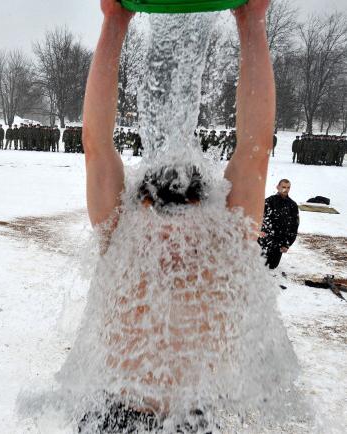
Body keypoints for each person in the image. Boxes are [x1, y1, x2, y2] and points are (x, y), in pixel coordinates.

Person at [79, 0, 276, 429]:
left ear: (204, 212)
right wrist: (113, 23)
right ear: (141, 207)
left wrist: (253, 23)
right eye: (159, 219)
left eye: (182, 223)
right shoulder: (120, 232)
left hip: (193, 418)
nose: (171, 244)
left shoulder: (226, 240)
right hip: (119, 414)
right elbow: (96, 147)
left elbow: (254, 151)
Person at [259, 179, 300, 269]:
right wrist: (261, 233)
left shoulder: (292, 205)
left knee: (272, 266)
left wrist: (287, 244)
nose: (286, 189)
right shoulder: (269, 201)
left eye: (288, 187)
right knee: (259, 265)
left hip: (280, 243)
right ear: (277, 187)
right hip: (265, 240)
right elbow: (260, 219)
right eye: (283, 187)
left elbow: (294, 226)